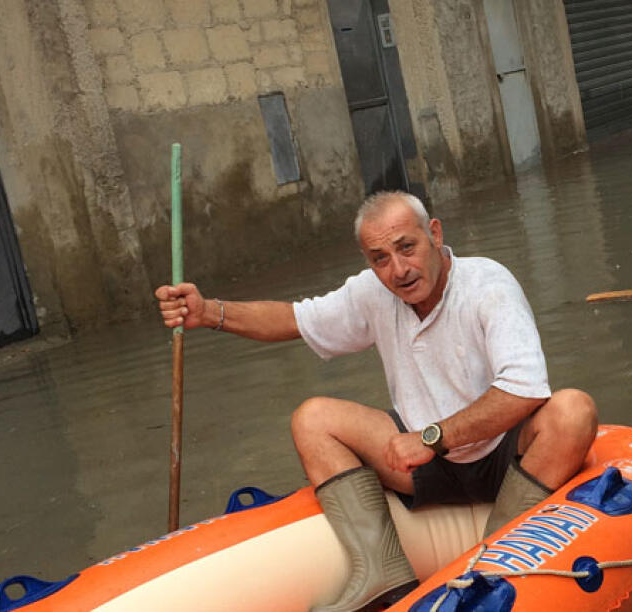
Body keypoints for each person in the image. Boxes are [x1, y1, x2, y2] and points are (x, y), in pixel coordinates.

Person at [154, 191, 598, 612]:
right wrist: (210, 312)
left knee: (573, 410)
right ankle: (383, 573)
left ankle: (497, 561)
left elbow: (525, 388)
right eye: (380, 259)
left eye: (407, 248)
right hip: (424, 466)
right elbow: (295, 318)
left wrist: (434, 437)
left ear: (436, 234)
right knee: (313, 419)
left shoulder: (487, 284)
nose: (398, 270)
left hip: (502, 455)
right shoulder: (374, 292)